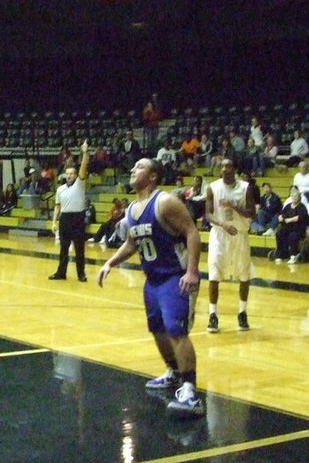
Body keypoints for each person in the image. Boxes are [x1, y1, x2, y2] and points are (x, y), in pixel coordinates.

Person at [97, 158, 204, 418]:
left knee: (175, 330)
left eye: (140, 167)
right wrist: (110, 262)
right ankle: (173, 372)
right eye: (132, 167)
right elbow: (132, 244)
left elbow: (192, 232)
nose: (133, 170)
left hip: (175, 277)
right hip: (152, 280)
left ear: (153, 176)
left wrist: (191, 272)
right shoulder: (133, 208)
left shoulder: (165, 202)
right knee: (156, 329)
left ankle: (190, 390)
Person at [205, 158, 255, 332]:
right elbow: (208, 214)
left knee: (244, 275)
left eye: (228, 166)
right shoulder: (212, 187)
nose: (225, 169)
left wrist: (234, 206)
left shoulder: (245, 187)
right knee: (214, 274)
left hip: (240, 235)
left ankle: (242, 313)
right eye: (223, 166)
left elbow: (252, 214)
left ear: (235, 169)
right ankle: (212, 315)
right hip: (219, 235)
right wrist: (222, 224)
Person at [49, 141, 90, 282]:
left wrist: (84, 152)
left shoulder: (80, 184)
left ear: (76, 174)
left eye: (72, 173)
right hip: (65, 219)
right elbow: (57, 207)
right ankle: (61, 272)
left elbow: (84, 166)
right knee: (63, 248)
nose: (69, 176)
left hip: (78, 218)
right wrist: (54, 222)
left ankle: (81, 273)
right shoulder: (60, 189)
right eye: (67, 174)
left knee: (80, 248)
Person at [273, 187, 309, 264]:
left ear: (299, 198)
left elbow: (300, 217)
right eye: (293, 197)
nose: (294, 198)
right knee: (279, 234)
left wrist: (290, 219)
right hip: (288, 227)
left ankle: (293, 255)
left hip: (298, 228)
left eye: (296, 197)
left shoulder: (302, 207)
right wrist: (280, 217)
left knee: (292, 236)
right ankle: (280, 254)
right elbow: (281, 213)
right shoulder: (288, 206)